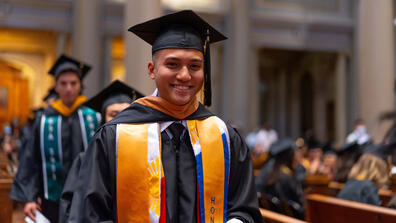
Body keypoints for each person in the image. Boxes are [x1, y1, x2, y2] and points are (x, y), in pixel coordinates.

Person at [67, 10, 262, 223]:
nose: (185, 75)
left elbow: (245, 209)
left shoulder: (224, 136)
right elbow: (89, 215)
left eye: (195, 66)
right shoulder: (115, 136)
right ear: (152, 70)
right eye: (172, 64)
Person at [9, 54, 101, 222]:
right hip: (51, 198)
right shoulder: (44, 120)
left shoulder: (93, 118)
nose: (68, 88)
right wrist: (30, 197)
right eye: (63, 83)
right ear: (55, 87)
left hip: (86, 197)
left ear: (80, 86)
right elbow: (31, 160)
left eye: (73, 83)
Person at [59, 80, 144, 223]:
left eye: (127, 113)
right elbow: (70, 207)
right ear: (103, 120)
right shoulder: (85, 159)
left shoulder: (147, 157)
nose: (120, 120)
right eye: (113, 114)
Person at [255, 139, 305, 219]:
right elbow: (302, 206)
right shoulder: (286, 176)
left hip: (269, 218)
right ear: (290, 156)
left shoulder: (266, 171)